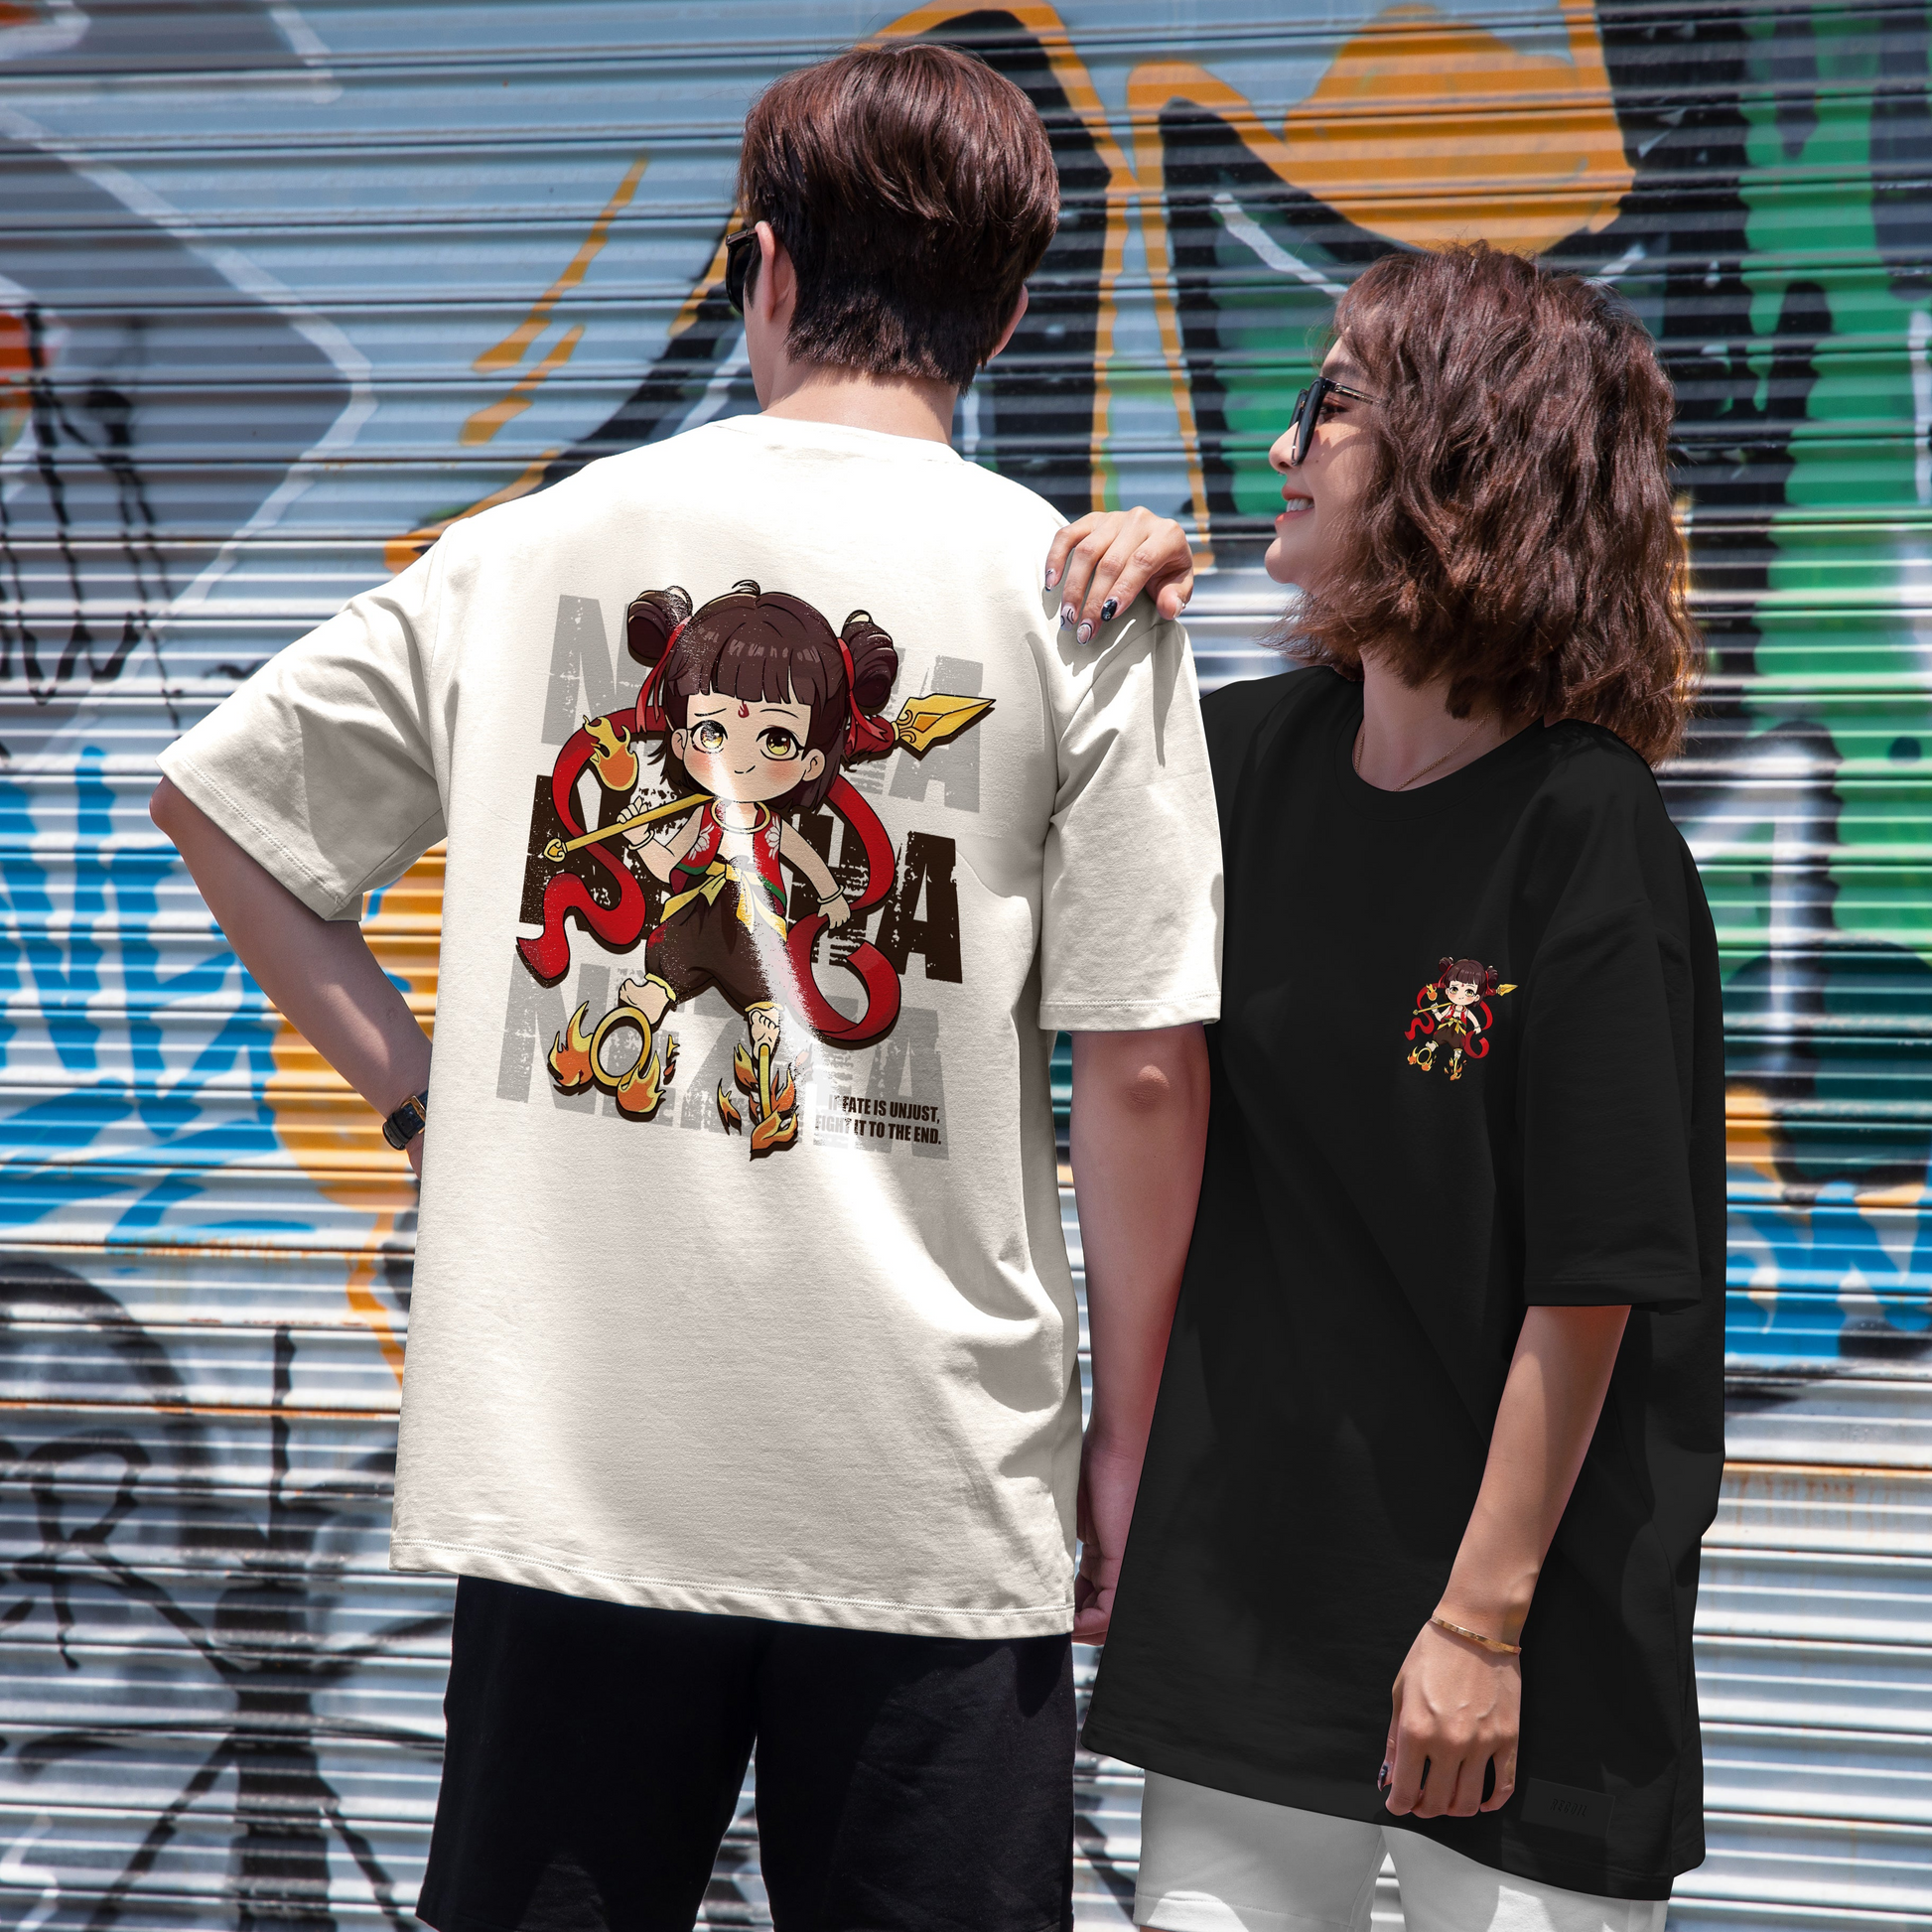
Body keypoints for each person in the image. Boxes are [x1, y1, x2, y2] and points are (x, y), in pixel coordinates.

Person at [149, 44, 1220, 1932]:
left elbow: (221, 806)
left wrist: (417, 1099)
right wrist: (1126, 1441)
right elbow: (1139, 1066)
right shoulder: (1076, 600)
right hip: (927, 1489)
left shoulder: (528, 549)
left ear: (765, 271)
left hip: (579, 1472)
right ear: (1009, 313)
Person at [1053, 243, 1724, 1931]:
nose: (1278, 446)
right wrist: (1097, 614)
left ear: (1460, 458)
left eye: (1330, 408)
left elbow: (1594, 1280)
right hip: (1250, 1602)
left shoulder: (1586, 831)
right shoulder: (1235, 760)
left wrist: (1480, 1624)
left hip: (1522, 1636)